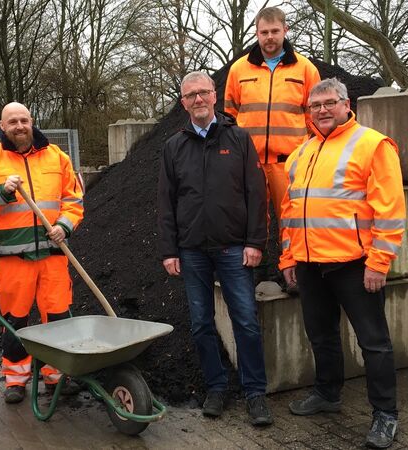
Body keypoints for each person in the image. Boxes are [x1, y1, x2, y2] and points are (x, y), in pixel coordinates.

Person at [279, 78, 406, 449]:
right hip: (309, 264)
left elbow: (391, 210)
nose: (321, 110)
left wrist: (379, 263)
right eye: (314, 105)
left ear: (345, 103)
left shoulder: (372, 144)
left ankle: (385, 415)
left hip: (355, 264)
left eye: (328, 103)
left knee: (374, 343)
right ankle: (327, 394)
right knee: (321, 335)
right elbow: (290, 211)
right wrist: (288, 257)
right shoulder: (302, 153)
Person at [158, 71, 272, 426]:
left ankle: (256, 394)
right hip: (192, 251)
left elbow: (257, 194)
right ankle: (217, 387)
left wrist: (255, 243)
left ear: (215, 96)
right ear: (183, 103)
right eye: (190, 96)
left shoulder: (237, 138)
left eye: (203, 93)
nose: (198, 100)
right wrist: (169, 250)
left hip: (234, 249)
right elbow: (166, 202)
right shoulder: (174, 147)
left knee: (246, 322)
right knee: (201, 324)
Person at [0, 102, 83, 404]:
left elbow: (74, 198)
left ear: (32, 121)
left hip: (53, 254)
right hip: (11, 257)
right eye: (12, 121)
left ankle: (57, 375)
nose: (19, 126)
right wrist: (2, 191)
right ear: (2, 126)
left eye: (24, 120)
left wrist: (64, 227)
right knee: (15, 320)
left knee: (58, 318)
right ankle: (16, 379)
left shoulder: (57, 157)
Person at [225, 7, 320, 290]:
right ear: (256, 33)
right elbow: (230, 114)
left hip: (289, 161)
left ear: (285, 30)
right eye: (264, 32)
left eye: (274, 31)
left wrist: (309, 153)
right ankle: (258, 272)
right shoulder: (239, 69)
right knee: (251, 217)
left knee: (291, 217)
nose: (269, 37)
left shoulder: (305, 69)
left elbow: (313, 115)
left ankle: (290, 272)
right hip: (249, 161)